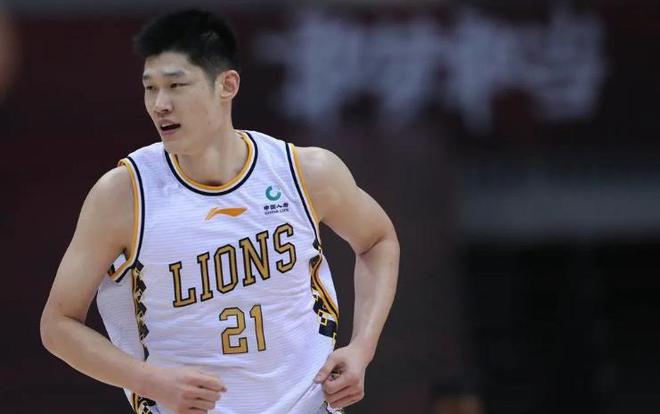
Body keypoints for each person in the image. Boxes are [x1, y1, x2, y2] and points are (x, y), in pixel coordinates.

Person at [40, 9, 399, 414]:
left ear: (227, 85)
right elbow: (57, 325)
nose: (160, 104)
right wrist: (150, 381)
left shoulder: (303, 172)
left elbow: (377, 240)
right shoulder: (123, 194)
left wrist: (362, 347)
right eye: (150, 88)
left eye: (176, 85)